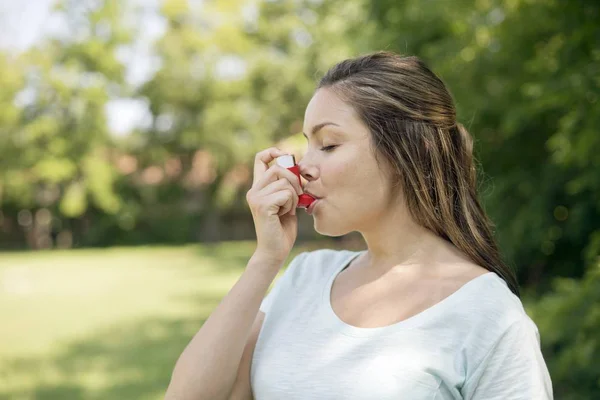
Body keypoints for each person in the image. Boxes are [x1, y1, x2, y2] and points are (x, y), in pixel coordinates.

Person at [164, 51, 553, 400]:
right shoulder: (303, 278)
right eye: (307, 146)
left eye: (328, 145)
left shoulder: (487, 314)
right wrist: (265, 259)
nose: (303, 168)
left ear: (408, 152)